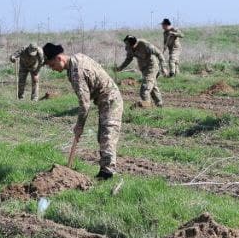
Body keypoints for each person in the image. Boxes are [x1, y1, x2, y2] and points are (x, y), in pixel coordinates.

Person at [44, 43, 123, 179]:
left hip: (110, 99)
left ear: (59, 58)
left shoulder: (76, 71)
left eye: (52, 65)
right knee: (103, 136)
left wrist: (79, 127)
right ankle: (105, 170)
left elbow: (85, 105)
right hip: (105, 99)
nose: (53, 69)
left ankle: (107, 174)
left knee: (107, 135)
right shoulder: (76, 58)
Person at [117, 35, 164, 107]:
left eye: (128, 45)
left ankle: (146, 107)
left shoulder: (145, 45)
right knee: (152, 86)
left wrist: (164, 67)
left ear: (134, 44)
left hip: (152, 68)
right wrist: (120, 68)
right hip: (144, 69)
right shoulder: (129, 48)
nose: (127, 47)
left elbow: (159, 54)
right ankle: (159, 104)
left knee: (145, 89)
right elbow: (128, 59)